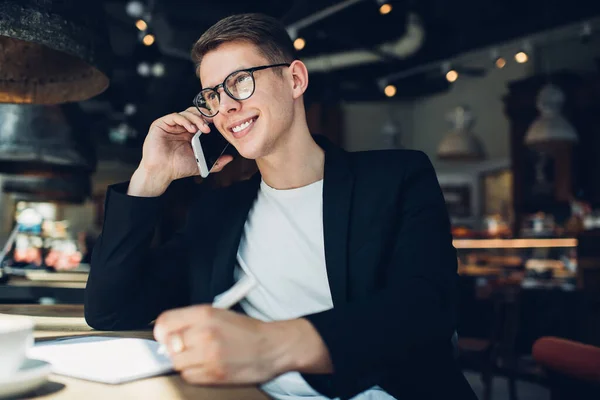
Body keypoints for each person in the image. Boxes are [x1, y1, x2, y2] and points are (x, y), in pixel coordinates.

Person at [85, 13, 477, 400]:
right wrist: (151, 176)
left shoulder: (395, 179)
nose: (225, 108)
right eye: (212, 96)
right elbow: (110, 311)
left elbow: (427, 309)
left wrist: (270, 344)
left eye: (239, 82)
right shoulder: (217, 214)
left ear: (295, 79)